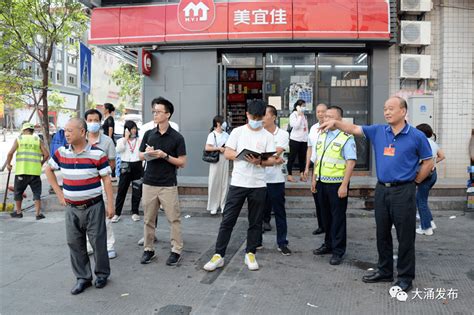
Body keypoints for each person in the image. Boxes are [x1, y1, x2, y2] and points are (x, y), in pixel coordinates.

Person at [319, 96, 434, 292]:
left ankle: (405, 277)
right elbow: (354, 129)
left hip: (404, 190)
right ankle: (385, 271)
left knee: (405, 236)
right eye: (384, 108)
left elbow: (428, 162)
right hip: (382, 189)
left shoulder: (416, 136)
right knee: (382, 233)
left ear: (403, 111)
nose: (387, 112)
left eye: (391, 108)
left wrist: (415, 182)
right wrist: (336, 122)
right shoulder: (379, 131)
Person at [203, 99, 277, 272]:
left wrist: (260, 161)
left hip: (258, 184)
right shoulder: (237, 132)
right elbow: (228, 153)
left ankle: (250, 253)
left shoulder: (267, 136)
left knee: (255, 221)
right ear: (247, 115)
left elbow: (272, 160)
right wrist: (242, 156)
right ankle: (218, 255)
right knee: (228, 219)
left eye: (260, 117)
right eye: (254, 116)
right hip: (238, 183)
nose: (256, 120)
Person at [45, 118, 114, 295]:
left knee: (98, 242)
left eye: (70, 130)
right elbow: (48, 170)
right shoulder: (61, 153)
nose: (66, 134)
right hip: (71, 208)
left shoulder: (97, 154)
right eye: (65, 130)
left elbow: (106, 179)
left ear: (82, 132)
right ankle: (83, 277)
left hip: (94, 206)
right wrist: (60, 194)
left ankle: (101, 274)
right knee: (74, 243)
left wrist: (110, 205)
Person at [139, 97, 187, 266]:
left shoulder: (177, 137)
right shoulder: (148, 134)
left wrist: (164, 155)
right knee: (148, 219)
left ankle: (176, 250)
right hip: (149, 182)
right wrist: (149, 153)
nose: (155, 114)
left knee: (173, 218)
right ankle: (148, 249)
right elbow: (139, 155)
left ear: (168, 114)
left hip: (168, 184)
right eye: (154, 111)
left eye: (158, 112)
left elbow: (182, 162)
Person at [311, 106, 356, 265]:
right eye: (325, 116)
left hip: (337, 184)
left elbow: (351, 163)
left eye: (330, 117)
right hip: (322, 182)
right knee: (325, 217)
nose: (325, 118)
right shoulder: (322, 135)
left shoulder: (346, 137)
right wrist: (314, 179)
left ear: (339, 120)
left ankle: (338, 251)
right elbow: (318, 159)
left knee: (337, 218)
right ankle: (328, 244)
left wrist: (344, 185)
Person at [84, 109, 118, 259]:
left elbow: (112, 163)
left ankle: (109, 245)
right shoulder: (80, 139)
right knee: (85, 217)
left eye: (96, 120)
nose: (93, 123)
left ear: (100, 121)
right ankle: (89, 244)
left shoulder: (107, 141)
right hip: (84, 184)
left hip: (102, 183)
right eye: (90, 120)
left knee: (105, 215)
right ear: (85, 122)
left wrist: (100, 173)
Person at [261, 104, 291, 255]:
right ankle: (256, 242)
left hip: (276, 179)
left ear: (273, 117)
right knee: (257, 213)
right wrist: (271, 157)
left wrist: (265, 157)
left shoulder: (283, 134)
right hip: (259, 179)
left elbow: (276, 152)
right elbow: (264, 155)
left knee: (279, 212)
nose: (261, 118)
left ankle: (282, 242)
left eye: (265, 115)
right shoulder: (258, 133)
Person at [5, 122, 49, 219]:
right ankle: (38, 214)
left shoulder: (19, 139)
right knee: (37, 193)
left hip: (22, 171)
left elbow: (10, 153)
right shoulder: (37, 139)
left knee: (18, 192)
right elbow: (46, 155)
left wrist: (8, 164)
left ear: (24, 130)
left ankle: (19, 212)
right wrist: (41, 163)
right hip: (35, 172)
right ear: (32, 131)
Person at [415, 124, 445, 236]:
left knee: (420, 201)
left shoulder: (422, 143)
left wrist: (426, 165)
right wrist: (432, 163)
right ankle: (430, 222)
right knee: (422, 199)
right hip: (433, 175)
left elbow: (417, 159)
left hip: (424, 175)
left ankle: (426, 228)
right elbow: (442, 156)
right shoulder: (433, 143)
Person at [304, 103, 328, 235]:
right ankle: (321, 225)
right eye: (318, 111)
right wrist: (307, 167)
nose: (320, 114)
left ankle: (328, 225)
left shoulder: (332, 128)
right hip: (316, 167)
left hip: (328, 167)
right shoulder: (313, 128)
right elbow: (309, 148)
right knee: (317, 197)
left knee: (326, 199)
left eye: (323, 111)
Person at [114, 120, 143, 222]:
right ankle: (117, 213)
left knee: (137, 190)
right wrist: (126, 138)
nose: (133, 131)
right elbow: (119, 150)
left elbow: (142, 153)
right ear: (127, 130)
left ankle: (135, 212)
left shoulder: (139, 140)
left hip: (137, 165)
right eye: (131, 129)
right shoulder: (121, 140)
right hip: (125, 166)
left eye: (135, 128)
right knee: (122, 190)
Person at [205, 115, 229, 215]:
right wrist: (219, 148)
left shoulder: (226, 135)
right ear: (218, 123)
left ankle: (223, 205)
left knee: (224, 182)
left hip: (225, 159)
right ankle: (213, 206)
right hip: (216, 159)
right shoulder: (212, 135)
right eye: (223, 121)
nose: (225, 123)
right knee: (214, 181)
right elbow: (207, 148)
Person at [287, 99, 308, 182]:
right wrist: (299, 115)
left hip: (304, 139)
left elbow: (305, 128)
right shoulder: (294, 115)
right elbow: (295, 126)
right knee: (292, 157)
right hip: (295, 139)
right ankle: (289, 175)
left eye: (304, 106)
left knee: (302, 158)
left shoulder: (304, 115)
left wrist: (307, 138)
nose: (304, 107)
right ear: (297, 107)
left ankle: (302, 174)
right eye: (302, 106)